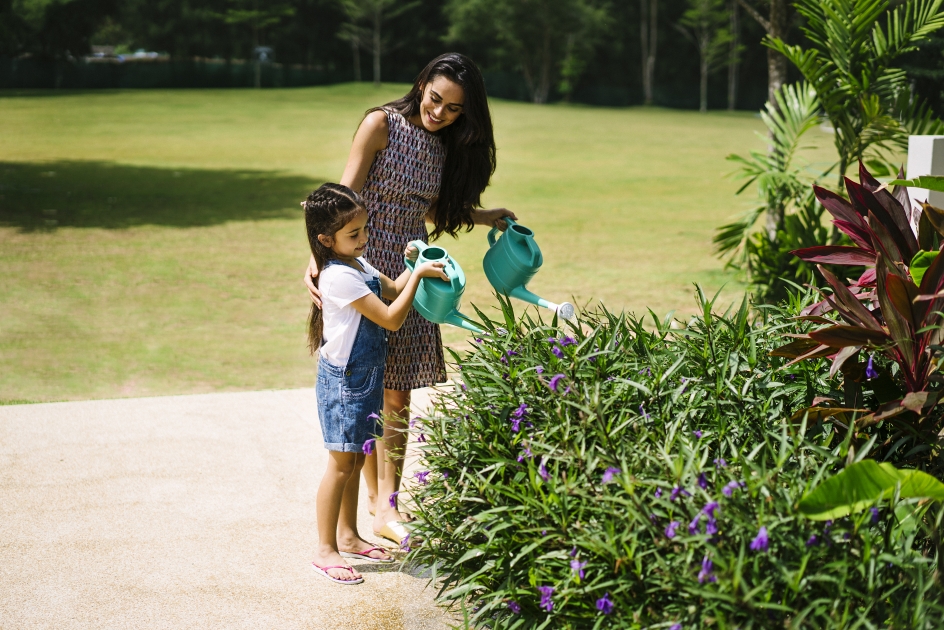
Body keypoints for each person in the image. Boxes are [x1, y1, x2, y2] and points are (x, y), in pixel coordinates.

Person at [303, 53, 517, 545]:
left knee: (398, 391)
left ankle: (387, 505)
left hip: (409, 269)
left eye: (454, 109)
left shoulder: (443, 145)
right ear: (422, 85)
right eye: (435, 99)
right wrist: (318, 259)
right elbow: (342, 197)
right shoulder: (380, 124)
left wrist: (485, 216)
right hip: (361, 262)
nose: (439, 113)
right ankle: (368, 506)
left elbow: (433, 207)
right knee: (367, 388)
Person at [303, 183, 447, 585]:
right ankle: (325, 549)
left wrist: (413, 265)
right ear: (326, 240)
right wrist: (420, 276)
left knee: (355, 458)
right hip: (345, 383)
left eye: (366, 229)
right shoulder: (338, 277)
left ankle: (348, 537)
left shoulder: (359, 265)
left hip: (365, 378)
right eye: (354, 234)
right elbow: (391, 318)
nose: (364, 238)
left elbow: (395, 288)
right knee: (340, 465)